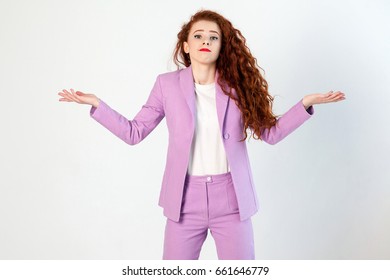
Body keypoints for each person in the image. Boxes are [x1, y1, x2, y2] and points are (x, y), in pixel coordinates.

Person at [58, 10, 345, 260]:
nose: (205, 41)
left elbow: (269, 134)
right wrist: (98, 105)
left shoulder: (238, 87)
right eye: (198, 36)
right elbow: (135, 132)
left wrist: (305, 104)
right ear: (185, 45)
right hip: (183, 201)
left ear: (222, 47)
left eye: (213, 37)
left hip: (232, 200)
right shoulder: (166, 85)